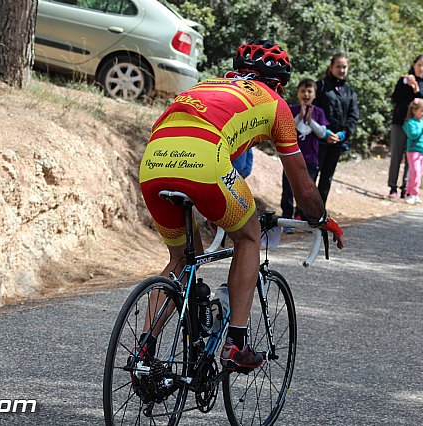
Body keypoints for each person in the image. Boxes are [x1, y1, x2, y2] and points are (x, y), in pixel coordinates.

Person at [138, 39, 344, 372]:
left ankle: (143, 354)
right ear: (279, 82)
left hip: (153, 161)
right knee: (249, 237)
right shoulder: (275, 104)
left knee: (180, 259)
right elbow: (303, 185)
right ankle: (236, 342)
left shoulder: (206, 85)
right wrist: (321, 218)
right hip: (205, 160)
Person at [281, 78, 329, 231]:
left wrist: (311, 121)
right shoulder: (292, 110)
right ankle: (287, 219)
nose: (306, 94)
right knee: (288, 188)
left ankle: (302, 218)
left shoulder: (319, 112)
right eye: (303, 91)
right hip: (291, 159)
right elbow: (286, 128)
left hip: (311, 159)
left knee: (307, 190)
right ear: (297, 93)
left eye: (310, 91)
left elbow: (322, 133)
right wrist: (299, 118)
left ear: (314, 94)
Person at [387, 54, 423, 199]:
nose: (421, 68)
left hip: (418, 127)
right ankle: (392, 188)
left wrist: (417, 91)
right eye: (419, 64)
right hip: (400, 123)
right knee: (396, 155)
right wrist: (407, 86)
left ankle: (406, 188)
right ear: (414, 65)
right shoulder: (403, 81)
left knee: (412, 157)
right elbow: (395, 98)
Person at [313, 53, 359, 204]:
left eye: (344, 67)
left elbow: (353, 116)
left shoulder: (350, 92)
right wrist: (324, 132)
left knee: (327, 178)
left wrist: (342, 135)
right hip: (318, 141)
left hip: (338, 142)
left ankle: (318, 215)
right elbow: (311, 110)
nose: (341, 70)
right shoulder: (320, 87)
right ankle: (302, 213)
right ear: (331, 67)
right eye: (338, 66)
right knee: (311, 176)